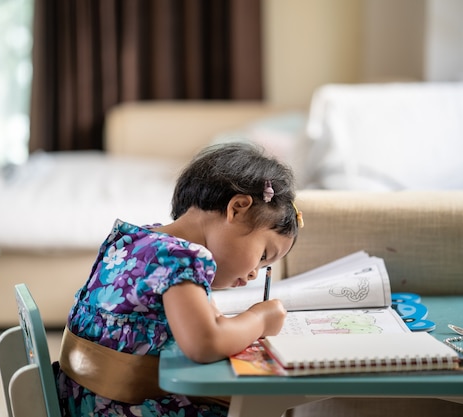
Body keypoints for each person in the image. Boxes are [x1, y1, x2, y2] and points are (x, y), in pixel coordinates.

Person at [55, 142, 304, 417]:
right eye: (263, 255)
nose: (254, 273)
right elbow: (205, 345)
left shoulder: (135, 240)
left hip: (81, 401)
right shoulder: (185, 258)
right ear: (238, 208)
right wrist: (260, 319)